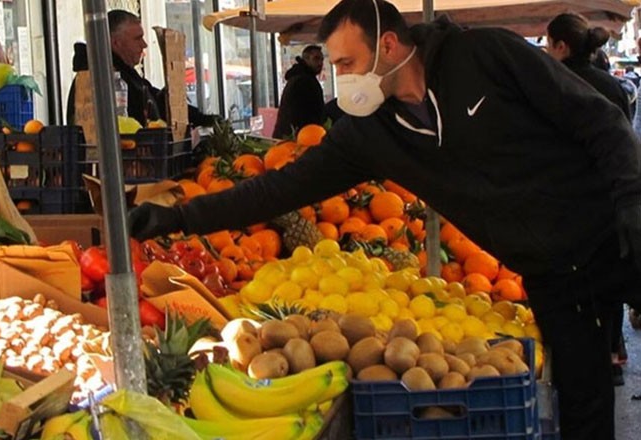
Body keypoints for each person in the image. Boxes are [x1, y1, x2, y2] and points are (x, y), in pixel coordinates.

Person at [129, 1, 641, 438]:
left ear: (390, 45)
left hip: (614, 229)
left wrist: (632, 203)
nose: (345, 78)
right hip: (550, 276)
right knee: (584, 405)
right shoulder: (369, 134)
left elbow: (599, 119)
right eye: (337, 67)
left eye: (350, 62)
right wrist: (177, 217)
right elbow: (276, 189)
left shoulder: (484, 54)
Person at [547, 13, 633, 387]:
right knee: (610, 279)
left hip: (570, 201)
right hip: (610, 196)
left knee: (580, 283)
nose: (547, 52)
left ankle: (589, 359)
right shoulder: (611, 86)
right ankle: (613, 353)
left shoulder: (554, 86)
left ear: (561, 46)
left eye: (548, 44)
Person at [66, 10, 218, 128]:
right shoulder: (101, 79)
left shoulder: (129, 76)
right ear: (116, 43)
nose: (144, 44)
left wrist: (203, 119)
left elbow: (156, 101)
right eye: (137, 38)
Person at [272, 46, 326, 138]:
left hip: (292, 136)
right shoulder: (304, 80)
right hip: (297, 138)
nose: (320, 63)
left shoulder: (299, 77)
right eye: (316, 59)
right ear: (306, 59)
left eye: (322, 59)